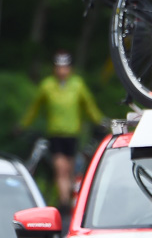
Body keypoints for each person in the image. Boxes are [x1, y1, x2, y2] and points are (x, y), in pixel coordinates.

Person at [20, 50, 104, 209]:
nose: (62, 71)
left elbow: (89, 106)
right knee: (61, 168)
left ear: (70, 68)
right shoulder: (47, 86)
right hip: (55, 134)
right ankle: (64, 202)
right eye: (59, 67)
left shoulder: (77, 85)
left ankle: (69, 200)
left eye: (65, 67)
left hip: (72, 134)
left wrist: (100, 121)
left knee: (70, 170)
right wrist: (23, 125)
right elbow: (34, 108)